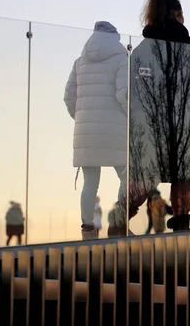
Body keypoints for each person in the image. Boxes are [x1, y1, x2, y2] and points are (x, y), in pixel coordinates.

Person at [124, 0, 190, 233]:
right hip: (184, 121)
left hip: (152, 121)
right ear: (175, 15)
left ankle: (122, 216)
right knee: (184, 173)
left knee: (146, 171)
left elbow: (135, 84)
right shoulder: (188, 44)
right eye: (182, 14)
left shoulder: (144, 47)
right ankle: (182, 222)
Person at [64, 21, 128, 240]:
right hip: (116, 131)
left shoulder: (79, 62)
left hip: (86, 133)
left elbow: (69, 97)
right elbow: (125, 95)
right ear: (115, 37)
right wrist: (131, 119)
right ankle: (119, 223)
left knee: (89, 183)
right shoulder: (121, 59)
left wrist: (82, 118)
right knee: (128, 177)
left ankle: (88, 230)